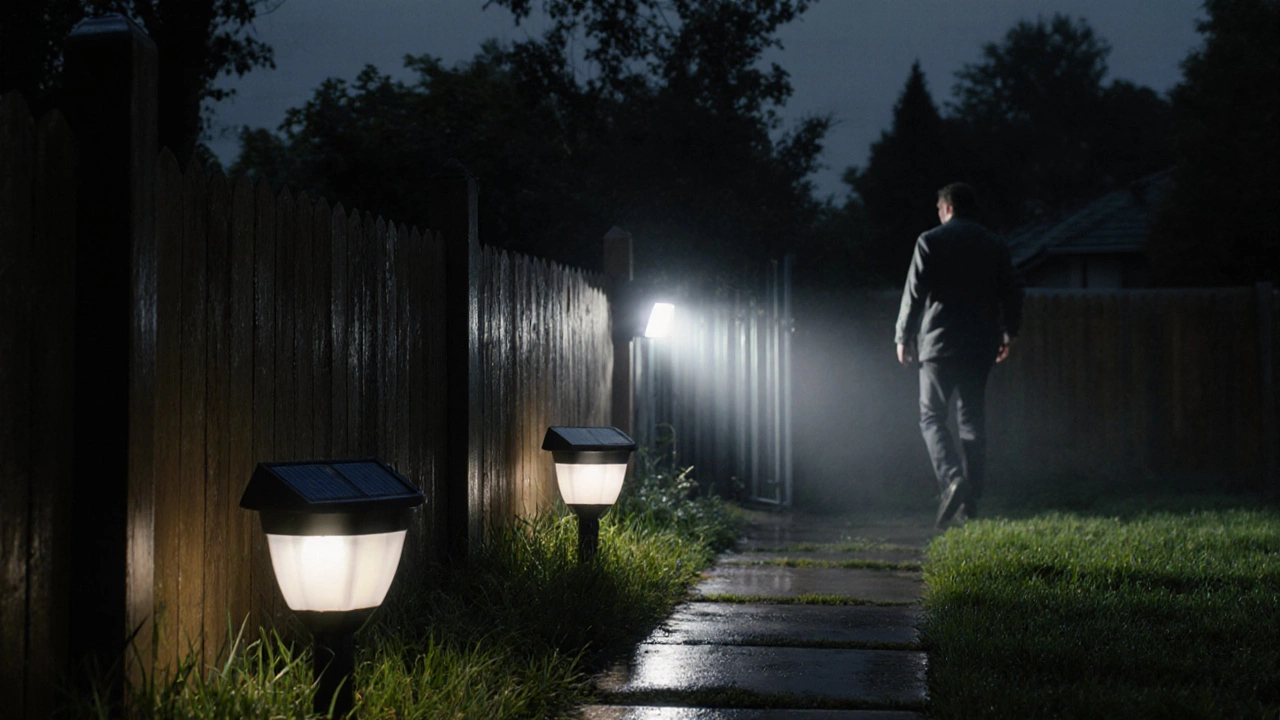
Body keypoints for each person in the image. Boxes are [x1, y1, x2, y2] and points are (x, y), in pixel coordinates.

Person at [895, 182, 1024, 529]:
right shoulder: (994, 244)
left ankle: (952, 480)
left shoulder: (930, 241)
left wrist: (903, 337)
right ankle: (972, 501)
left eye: (939, 210)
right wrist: (1008, 330)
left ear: (947, 208)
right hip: (980, 344)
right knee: (972, 421)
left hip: (938, 345)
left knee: (931, 417)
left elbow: (914, 292)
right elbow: (1012, 289)